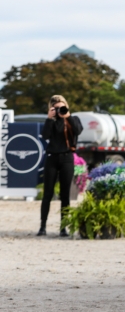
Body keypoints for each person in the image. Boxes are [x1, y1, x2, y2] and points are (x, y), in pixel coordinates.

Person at [39, 95, 83, 236]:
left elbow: (78, 131)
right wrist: (48, 118)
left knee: (65, 195)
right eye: (56, 108)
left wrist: (68, 116)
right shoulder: (51, 121)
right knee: (48, 194)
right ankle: (42, 226)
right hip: (52, 158)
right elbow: (45, 136)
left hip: (67, 158)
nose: (59, 110)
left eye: (62, 106)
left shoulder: (73, 119)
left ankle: (63, 228)